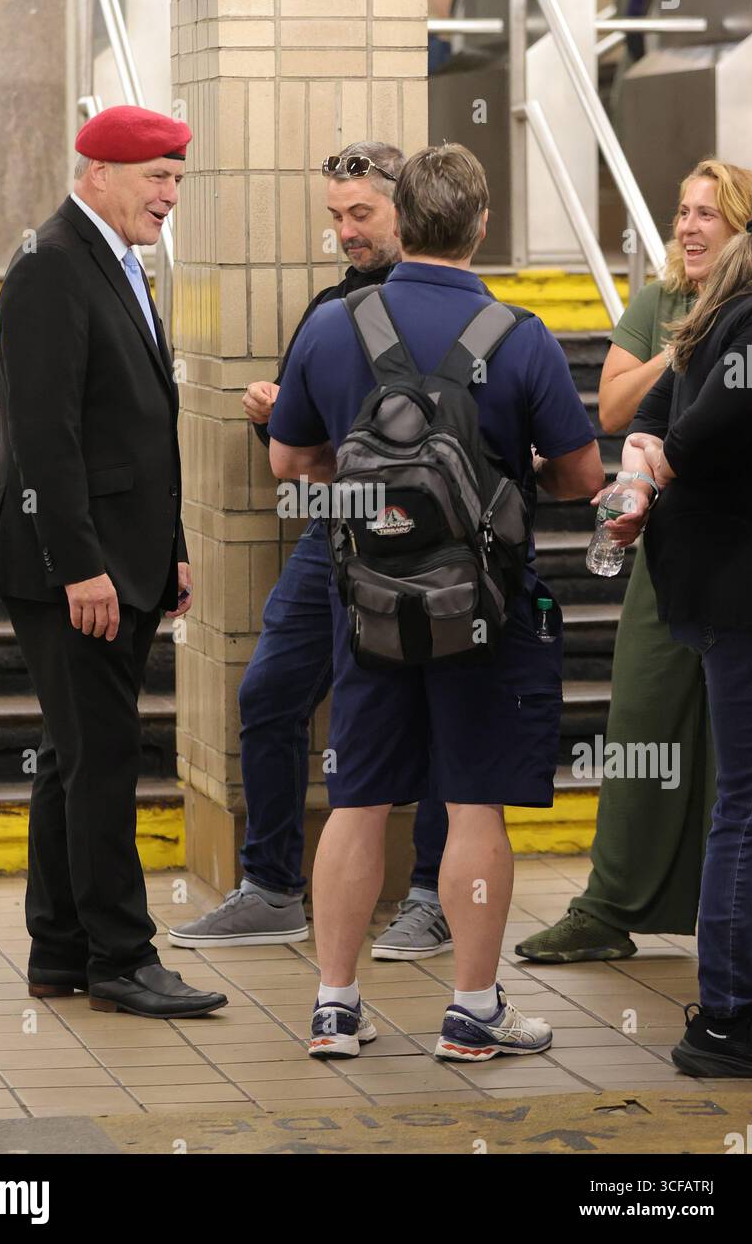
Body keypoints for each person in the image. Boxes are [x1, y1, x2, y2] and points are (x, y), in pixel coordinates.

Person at [268, 144, 603, 1060]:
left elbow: (289, 464)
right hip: (484, 612)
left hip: (370, 608)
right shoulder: (519, 335)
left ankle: (335, 1007)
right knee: (473, 804)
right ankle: (473, 1010)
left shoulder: (336, 329)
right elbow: (581, 475)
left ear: (402, 222)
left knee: (359, 801)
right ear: (482, 225)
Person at [168, 142, 456, 959]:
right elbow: (295, 445)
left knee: (435, 714)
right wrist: (271, 413)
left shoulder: (454, 305)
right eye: (335, 217)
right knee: (268, 694)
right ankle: (270, 889)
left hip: (430, 546)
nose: (345, 232)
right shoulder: (331, 308)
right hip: (333, 532)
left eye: (361, 214)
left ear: (411, 207)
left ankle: (431, 893)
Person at [0, 105, 227, 1020]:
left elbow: (137, 425)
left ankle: (61, 950)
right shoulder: (51, 266)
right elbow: (46, 434)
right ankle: (124, 959)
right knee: (103, 755)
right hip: (69, 565)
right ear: (100, 171)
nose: (169, 196)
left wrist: (174, 549)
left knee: (70, 758)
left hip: (121, 556)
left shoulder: (116, 261)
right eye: (156, 176)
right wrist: (82, 566)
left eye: (177, 179)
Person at [518, 159, 752, 964]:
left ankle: (728, 926)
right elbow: (617, 409)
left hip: (740, 557)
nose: (688, 228)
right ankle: (611, 903)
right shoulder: (662, 305)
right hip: (665, 545)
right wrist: (690, 341)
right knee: (643, 719)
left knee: (736, 747)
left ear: (744, 230)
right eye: (681, 212)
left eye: (708, 215)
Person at [606, 170, 752, 1077]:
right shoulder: (751, 313)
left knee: (748, 801)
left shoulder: (721, 308)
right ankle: (727, 1020)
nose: (689, 226)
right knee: (748, 805)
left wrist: (644, 467)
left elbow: (654, 427)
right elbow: (689, 434)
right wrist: (655, 460)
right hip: (741, 596)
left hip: (717, 587)